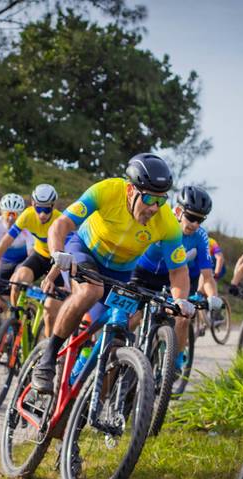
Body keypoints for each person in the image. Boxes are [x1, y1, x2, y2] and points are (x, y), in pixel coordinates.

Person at [32, 153, 196, 395]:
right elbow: (61, 223)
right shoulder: (107, 190)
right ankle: (47, 360)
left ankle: (88, 402)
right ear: (130, 190)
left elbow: (179, 269)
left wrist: (180, 299)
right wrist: (57, 252)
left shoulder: (167, 223)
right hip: (85, 250)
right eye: (149, 198)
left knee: (118, 332)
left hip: (120, 272)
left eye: (160, 201)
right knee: (91, 290)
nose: (154, 207)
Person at [132, 185, 223, 393]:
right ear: (179, 210)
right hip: (143, 272)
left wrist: (213, 296)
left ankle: (175, 361)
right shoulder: (161, 220)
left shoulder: (201, 237)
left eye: (200, 220)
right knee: (132, 318)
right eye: (191, 217)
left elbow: (207, 275)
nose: (194, 224)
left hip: (175, 279)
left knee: (183, 317)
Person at [0, 184, 64, 336]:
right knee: (17, 281)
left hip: (58, 262)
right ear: (33, 204)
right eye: (39, 208)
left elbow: (62, 255)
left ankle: (47, 347)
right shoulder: (27, 215)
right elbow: (4, 243)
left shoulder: (60, 220)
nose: (42, 214)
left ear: (53, 206)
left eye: (47, 209)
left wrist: (50, 278)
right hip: (40, 255)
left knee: (50, 313)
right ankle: (15, 321)